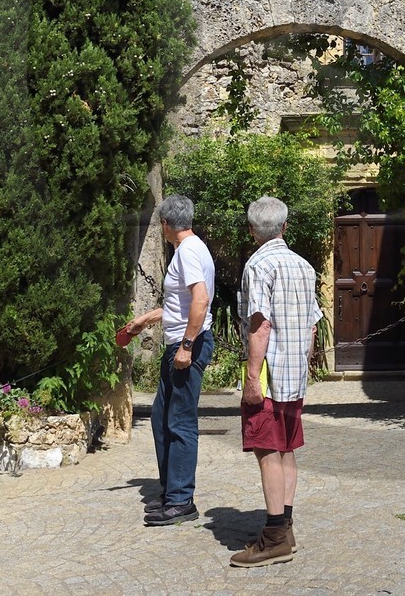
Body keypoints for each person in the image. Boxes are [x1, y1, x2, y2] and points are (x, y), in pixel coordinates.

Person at [230, 195, 322, 568]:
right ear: (285, 228)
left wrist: (253, 377)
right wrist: (304, 361)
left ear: (252, 231)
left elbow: (260, 324)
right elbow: (314, 325)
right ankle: (286, 524)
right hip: (294, 372)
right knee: (286, 449)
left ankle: (273, 538)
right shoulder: (304, 265)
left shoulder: (258, 265)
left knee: (268, 450)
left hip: (269, 374)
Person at [118, 194, 216, 526]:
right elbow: (183, 305)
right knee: (163, 417)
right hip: (180, 342)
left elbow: (200, 301)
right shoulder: (191, 249)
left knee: (180, 423)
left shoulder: (187, 252)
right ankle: (171, 491)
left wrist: (187, 346)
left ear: (164, 225)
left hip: (187, 346)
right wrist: (147, 319)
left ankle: (181, 501)